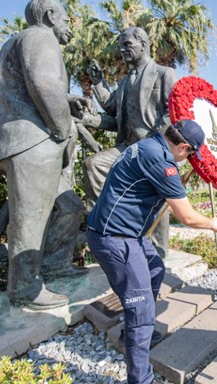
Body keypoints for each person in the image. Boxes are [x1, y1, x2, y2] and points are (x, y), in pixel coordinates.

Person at [86, 120, 217, 384]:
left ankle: (133, 333)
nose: (190, 159)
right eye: (191, 154)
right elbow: (187, 217)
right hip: (116, 238)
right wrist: (213, 223)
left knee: (155, 268)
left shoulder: (149, 145)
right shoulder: (162, 162)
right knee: (142, 311)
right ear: (183, 147)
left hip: (126, 233)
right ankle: (140, 376)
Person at [0, 0, 92, 309]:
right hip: (31, 141)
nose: (68, 29)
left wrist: (68, 97)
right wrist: (63, 130)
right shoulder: (39, 36)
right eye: (64, 20)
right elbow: (43, 84)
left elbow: (36, 85)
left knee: (70, 207)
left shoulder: (21, 42)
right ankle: (25, 288)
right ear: (50, 15)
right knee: (30, 218)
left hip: (33, 141)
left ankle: (54, 264)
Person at [80, 26, 176, 259]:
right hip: (126, 147)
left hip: (153, 147)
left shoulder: (163, 74)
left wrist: (155, 145)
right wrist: (98, 82)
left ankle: (158, 250)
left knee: (156, 191)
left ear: (143, 44)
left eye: (127, 45)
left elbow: (171, 112)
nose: (122, 49)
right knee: (93, 165)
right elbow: (111, 109)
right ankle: (103, 225)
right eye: (120, 45)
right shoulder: (125, 82)